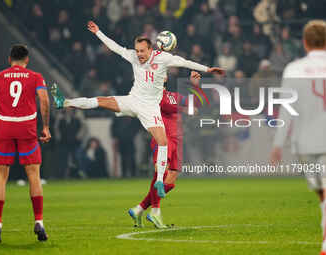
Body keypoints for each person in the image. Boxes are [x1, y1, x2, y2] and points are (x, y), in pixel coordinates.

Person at [51, 21, 224, 199]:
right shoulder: (133, 56)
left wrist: (208, 69)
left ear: (151, 49)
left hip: (150, 108)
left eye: (142, 51)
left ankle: (158, 181)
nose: (139, 54)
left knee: (162, 141)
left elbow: (184, 62)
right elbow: (115, 47)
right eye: (137, 50)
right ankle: (64, 102)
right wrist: (98, 32)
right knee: (100, 101)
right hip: (133, 101)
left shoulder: (163, 58)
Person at [269, 20, 326, 255]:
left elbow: (286, 110)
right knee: (322, 192)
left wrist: (277, 144)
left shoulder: (293, 69)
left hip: (305, 142)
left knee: (323, 189)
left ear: (304, 43)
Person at [0, 45, 51, 242]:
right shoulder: (35, 77)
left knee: (0, 175)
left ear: (9, 59)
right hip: (27, 129)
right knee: (33, 174)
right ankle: (39, 222)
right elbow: (44, 99)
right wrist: (46, 126)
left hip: (4, 128)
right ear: (27, 60)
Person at [128, 71, 201, 228]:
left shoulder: (172, 95)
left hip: (177, 139)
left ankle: (139, 209)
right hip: (163, 139)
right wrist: (186, 110)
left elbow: (195, 103)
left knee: (171, 179)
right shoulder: (153, 96)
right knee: (161, 174)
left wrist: (195, 87)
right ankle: (155, 212)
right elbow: (168, 108)